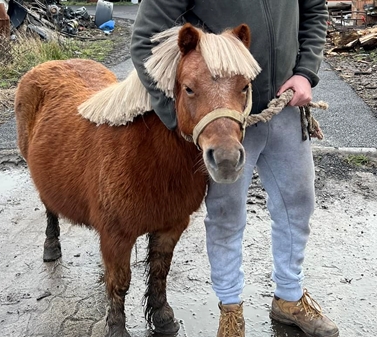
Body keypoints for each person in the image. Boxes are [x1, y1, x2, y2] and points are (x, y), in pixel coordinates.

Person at [130, 1, 339, 336]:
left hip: (285, 105)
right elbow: (144, 41)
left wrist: (305, 72)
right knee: (226, 214)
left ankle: (289, 297)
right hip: (223, 120)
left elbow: (314, 10)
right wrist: (183, 120)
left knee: (298, 205)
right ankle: (230, 308)